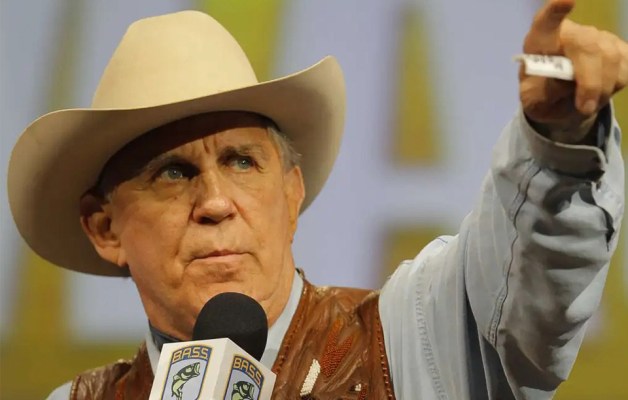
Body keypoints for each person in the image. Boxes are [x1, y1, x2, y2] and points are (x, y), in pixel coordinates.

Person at [7, 0, 626, 398]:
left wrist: (557, 142)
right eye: (173, 173)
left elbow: (530, 278)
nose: (216, 202)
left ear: (291, 192)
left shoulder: (410, 338)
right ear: (104, 228)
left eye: (242, 161)